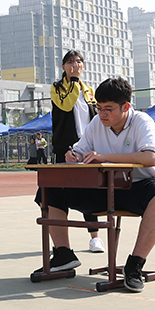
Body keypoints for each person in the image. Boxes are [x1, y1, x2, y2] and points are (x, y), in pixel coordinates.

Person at [34, 77, 155, 292]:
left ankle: (135, 265)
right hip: (106, 186)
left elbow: (151, 158)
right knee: (50, 188)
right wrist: (72, 154)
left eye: (108, 109)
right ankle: (63, 254)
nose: (102, 114)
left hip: (142, 186)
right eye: (99, 108)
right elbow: (80, 150)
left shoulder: (142, 121)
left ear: (126, 106)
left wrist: (104, 157)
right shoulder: (96, 123)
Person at [50, 50, 104, 253]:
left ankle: (95, 237)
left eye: (79, 61)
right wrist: (72, 81)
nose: (75, 64)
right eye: (70, 62)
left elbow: (96, 118)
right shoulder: (57, 88)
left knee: (89, 190)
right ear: (63, 66)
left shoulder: (89, 90)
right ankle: (62, 245)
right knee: (59, 192)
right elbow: (67, 105)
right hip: (65, 148)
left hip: (87, 147)